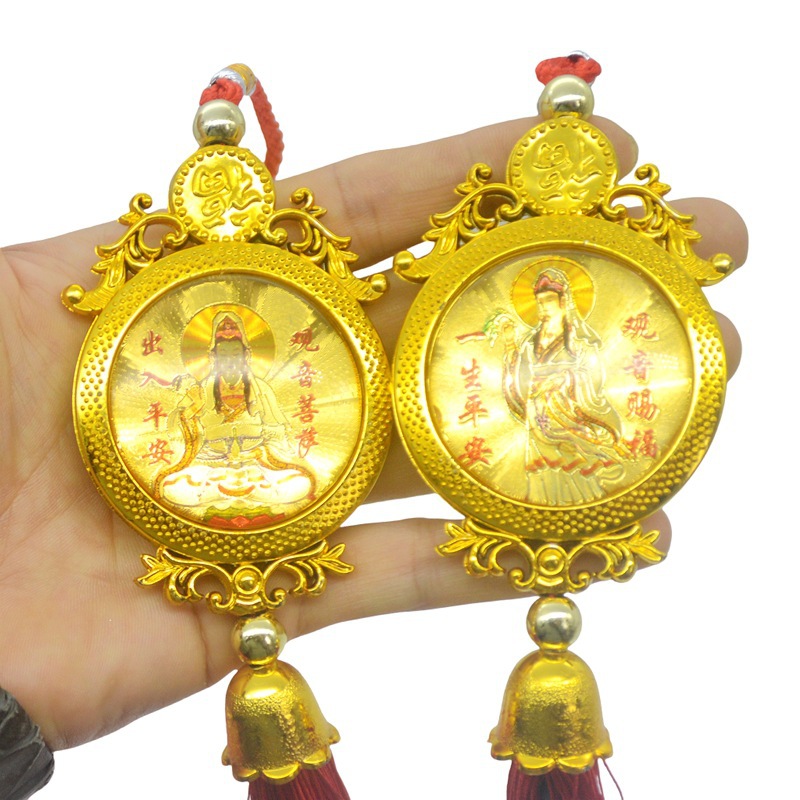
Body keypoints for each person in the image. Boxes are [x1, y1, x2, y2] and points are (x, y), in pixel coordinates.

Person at [0, 115, 745, 790]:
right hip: (217, 460)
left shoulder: (572, 337)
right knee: (214, 461)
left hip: (556, 427)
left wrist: (563, 397)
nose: (229, 350)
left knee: (580, 427)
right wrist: (205, 425)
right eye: (221, 341)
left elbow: (574, 384)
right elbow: (197, 421)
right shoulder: (199, 380)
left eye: (554, 303)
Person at [155, 311, 315, 524]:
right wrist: (194, 408)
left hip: (255, 466)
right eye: (224, 355)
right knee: (173, 487)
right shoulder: (200, 390)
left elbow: (278, 433)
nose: (230, 360)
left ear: (246, 356)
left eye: (235, 354)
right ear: (213, 357)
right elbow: (176, 432)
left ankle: (238, 498)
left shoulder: (262, 390)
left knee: (300, 484)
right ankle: (240, 499)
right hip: (212, 467)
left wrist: (259, 451)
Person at [494, 261, 628, 504]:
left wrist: (563, 379)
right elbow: (518, 382)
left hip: (569, 420)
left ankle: (585, 510)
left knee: (576, 473)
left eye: (548, 300)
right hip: (537, 419)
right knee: (543, 475)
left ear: (563, 301)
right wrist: (510, 345)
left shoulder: (580, 345)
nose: (542, 307)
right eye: (539, 302)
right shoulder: (529, 344)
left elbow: (594, 380)